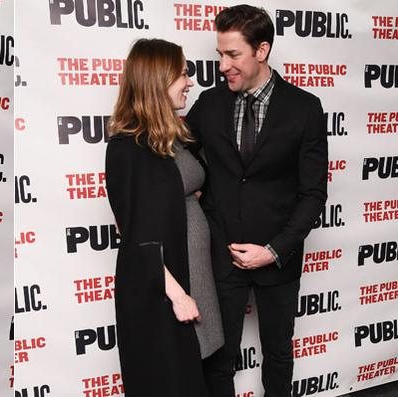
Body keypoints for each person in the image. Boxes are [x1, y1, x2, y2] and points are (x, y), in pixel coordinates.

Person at [185, 5, 328, 397]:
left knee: (279, 356)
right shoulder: (210, 104)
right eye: (219, 54)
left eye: (233, 55)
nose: (222, 65)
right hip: (221, 254)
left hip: (277, 258)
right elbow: (173, 148)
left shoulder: (304, 108)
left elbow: (314, 194)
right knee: (219, 359)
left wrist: (274, 250)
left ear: (261, 50)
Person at [105, 38, 223, 397]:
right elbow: (138, 238)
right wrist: (178, 296)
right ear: (159, 79)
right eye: (182, 73)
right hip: (162, 293)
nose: (190, 80)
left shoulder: (170, 137)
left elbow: (174, 192)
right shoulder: (128, 147)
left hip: (196, 279)